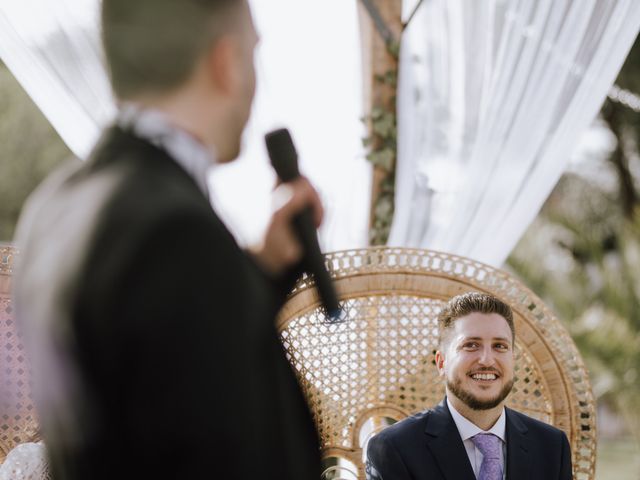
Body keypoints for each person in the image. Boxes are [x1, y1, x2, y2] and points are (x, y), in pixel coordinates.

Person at [13, 0, 322, 478]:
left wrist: (260, 270)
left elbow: (142, 374)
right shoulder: (174, 232)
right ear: (226, 63)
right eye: (252, 52)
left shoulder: (52, 206)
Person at [366, 292, 572, 480]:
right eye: (471, 345)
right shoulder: (393, 449)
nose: (487, 360)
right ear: (441, 363)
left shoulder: (552, 446)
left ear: (513, 359)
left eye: (499, 346)